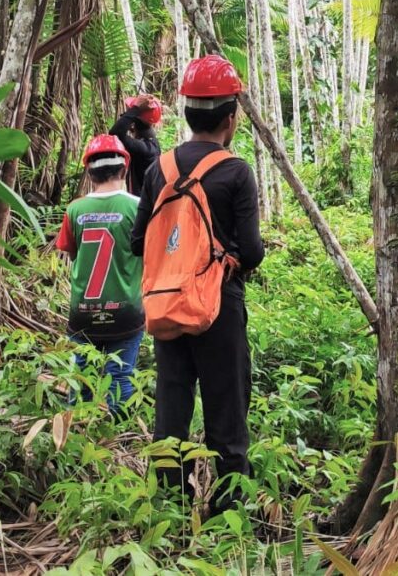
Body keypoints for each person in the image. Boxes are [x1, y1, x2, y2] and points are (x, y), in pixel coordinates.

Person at [131, 54, 265, 514]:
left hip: (166, 304)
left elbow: (137, 241)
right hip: (216, 304)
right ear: (231, 118)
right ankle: (227, 509)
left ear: (187, 113)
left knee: (172, 403)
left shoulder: (158, 169)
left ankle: (170, 504)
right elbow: (251, 252)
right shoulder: (236, 172)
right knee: (227, 405)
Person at [55, 134, 145, 415]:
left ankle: (76, 447)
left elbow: (71, 252)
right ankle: (118, 445)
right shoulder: (138, 207)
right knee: (121, 380)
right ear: (124, 168)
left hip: (83, 313)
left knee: (79, 381)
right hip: (126, 313)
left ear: (89, 171)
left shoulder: (75, 209)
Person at [109, 94, 163, 195]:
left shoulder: (146, 148)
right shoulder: (148, 143)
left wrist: (135, 110)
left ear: (134, 122)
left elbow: (115, 133)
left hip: (142, 207)